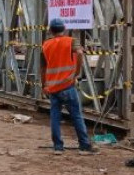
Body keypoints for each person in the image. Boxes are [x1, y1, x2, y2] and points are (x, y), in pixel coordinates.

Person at [40, 18, 97, 155]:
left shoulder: (45, 45)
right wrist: (76, 73)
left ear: (50, 30)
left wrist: (44, 85)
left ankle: (58, 147)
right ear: (64, 29)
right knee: (76, 116)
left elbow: (43, 67)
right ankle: (84, 146)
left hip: (53, 87)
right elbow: (79, 53)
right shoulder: (70, 41)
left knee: (55, 117)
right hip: (68, 85)